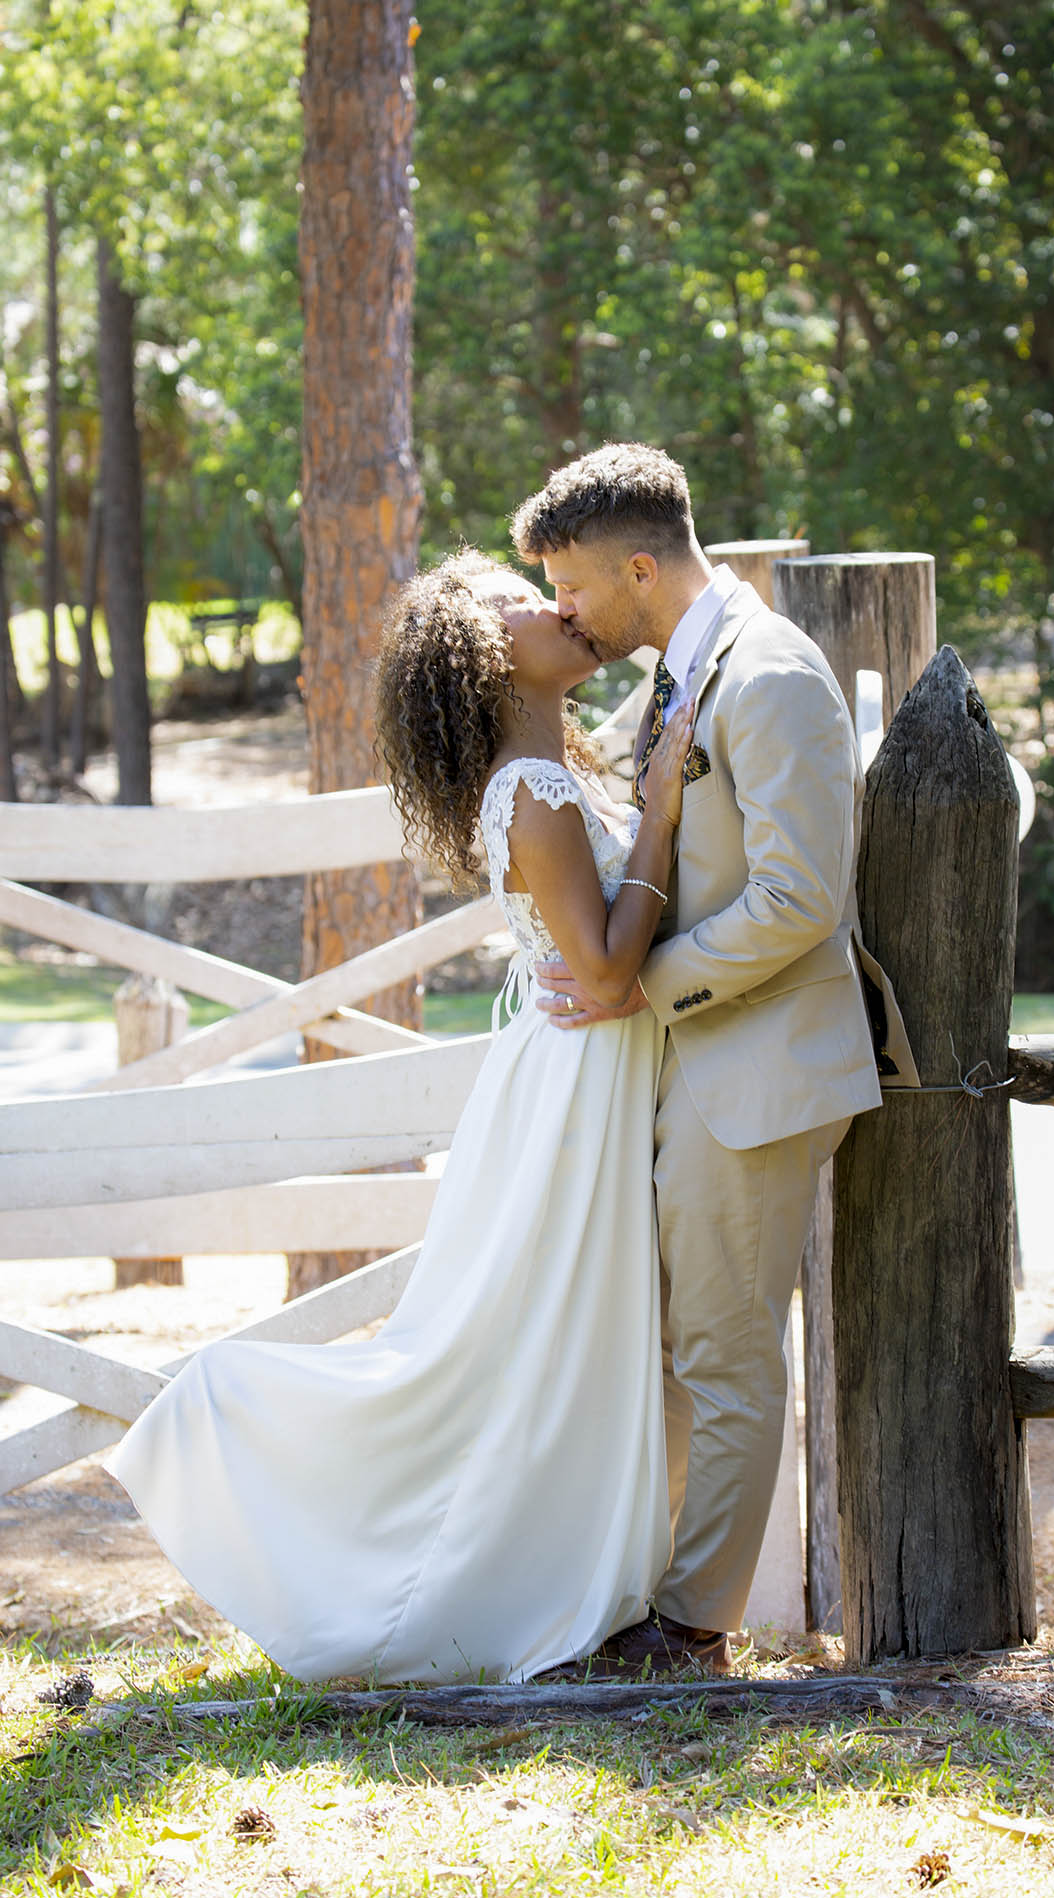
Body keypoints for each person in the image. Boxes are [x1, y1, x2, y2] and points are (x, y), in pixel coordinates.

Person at [108, 549, 698, 1685]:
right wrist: (664, 807)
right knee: (505, 1346)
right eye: (526, 602)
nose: (559, 606)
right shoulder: (533, 791)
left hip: (574, 1076)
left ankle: (571, 1565)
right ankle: (229, 1424)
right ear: (484, 654)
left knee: (535, 1341)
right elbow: (614, 967)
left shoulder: (546, 773)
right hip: (578, 1086)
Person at [510, 442, 917, 1676]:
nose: (563, 612)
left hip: (755, 1067)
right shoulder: (677, 677)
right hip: (696, 1062)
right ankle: (642, 1590)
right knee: (679, 1342)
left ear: (639, 566)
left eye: (572, 586)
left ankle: (692, 1630)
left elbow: (799, 898)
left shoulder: (773, 674)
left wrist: (647, 982)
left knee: (729, 1355)